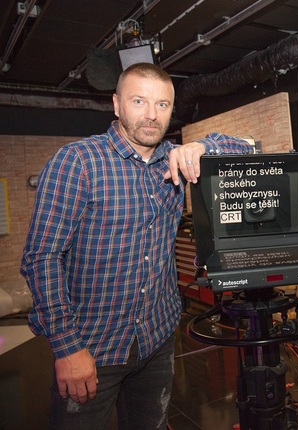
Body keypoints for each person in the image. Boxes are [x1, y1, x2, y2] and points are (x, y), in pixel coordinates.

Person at [20, 62, 253, 430]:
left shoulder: (173, 159)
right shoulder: (78, 162)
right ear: (117, 104)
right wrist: (67, 347)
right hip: (92, 346)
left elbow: (248, 150)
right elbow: (41, 258)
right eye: (139, 101)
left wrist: (203, 146)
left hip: (156, 338)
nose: (151, 115)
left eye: (162, 104)